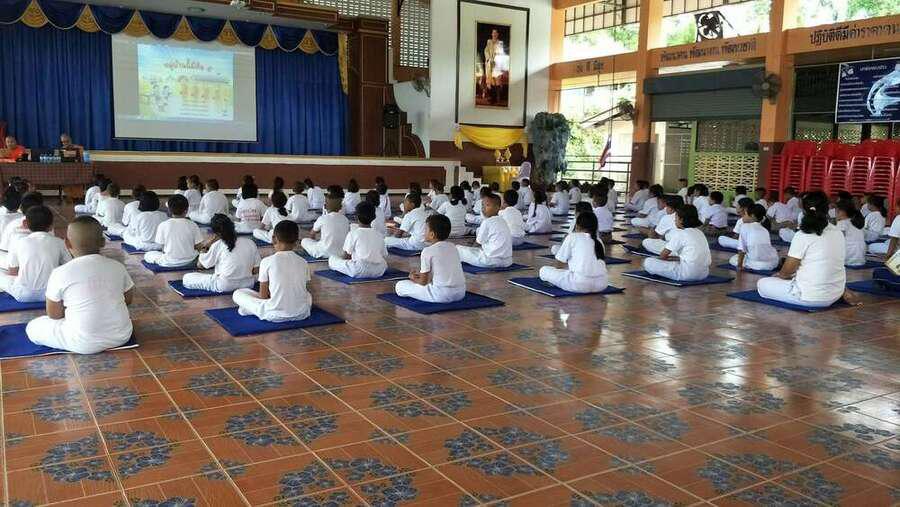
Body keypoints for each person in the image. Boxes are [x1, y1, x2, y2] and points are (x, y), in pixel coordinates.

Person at [25, 216, 134, 354]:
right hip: (122, 335)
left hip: (83, 342)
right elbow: (128, 299)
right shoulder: (117, 266)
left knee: (33, 327)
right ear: (103, 242)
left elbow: (54, 315)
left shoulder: (60, 272)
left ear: (67, 243)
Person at [757, 191, 850, 307]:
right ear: (827, 209)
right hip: (835, 293)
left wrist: (780, 276)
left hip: (809, 296)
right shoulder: (837, 232)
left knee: (762, 283)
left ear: (804, 211)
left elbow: (787, 271)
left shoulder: (803, 234)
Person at [233, 221, 311, 322]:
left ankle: (250, 309)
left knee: (238, 294)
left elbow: (263, 297)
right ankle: (251, 309)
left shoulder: (266, 262)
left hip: (274, 314)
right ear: (296, 241)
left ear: (274, 239)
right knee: (308, 295)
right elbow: (303, 289)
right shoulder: (303, 262)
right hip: (302, 313)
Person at [0, 205, 71, 302]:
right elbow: (68, 267)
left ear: (25, 224)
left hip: (22, 294)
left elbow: (13, 272)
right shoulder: (59, 242)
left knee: (2, 276)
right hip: (50, 294)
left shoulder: (19, 242)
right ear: (51, 226)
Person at [394, 214, 466, 303]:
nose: (424, 232)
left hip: (440, 294)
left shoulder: (427, 251)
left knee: (400, 286)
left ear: (432, 234)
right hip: (460, 293)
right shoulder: (453, 247)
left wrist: (412, 278)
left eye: (425, 229)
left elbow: (423, 282)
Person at [184, 214, 260, 293]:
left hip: (225, 285)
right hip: (248, 284)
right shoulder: (250, 242)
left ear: (216, 234)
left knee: (187, 277)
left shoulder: (218, 244)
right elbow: (256, 269)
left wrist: (206, 246)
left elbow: (200, 265)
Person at [540, 211, 608, 294]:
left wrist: (553, 271)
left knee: (543, 270)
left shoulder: (572, 236)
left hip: (579, 284)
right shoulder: (599, 241)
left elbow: (559, 264)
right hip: (602, 284)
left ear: (577, 225)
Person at [642, 205, 711, 281]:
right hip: (704, 274)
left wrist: (662, 260)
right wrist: (674, 259)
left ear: (681, 220)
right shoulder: (700, 232)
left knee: (648, 262)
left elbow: (663, 256)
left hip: (687, 274)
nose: (675, 220)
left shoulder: (681, 233)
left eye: (676, 218)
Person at [328, 201, 389, 279]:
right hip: (378, 271)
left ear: (356, 217)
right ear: (374, 217)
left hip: (359, 269)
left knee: (332, 259)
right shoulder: (379, 234)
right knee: (383, 262)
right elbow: (384, 254)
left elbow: (346, 256)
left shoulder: (353, 233)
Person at [144, 195, 205, 268]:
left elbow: (162, 247)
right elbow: (198, 246)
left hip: (169, 262)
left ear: (169, 210)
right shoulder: (193, 224)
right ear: (187, 210)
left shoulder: (163, 225)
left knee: (148, 255)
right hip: (190, 260)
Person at [456, 193, 512, 268]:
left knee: (459, 249)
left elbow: (477, 243)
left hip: (490, 261)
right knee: (478, 250)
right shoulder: (503, 220)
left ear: (498, 207)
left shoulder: (487, 222)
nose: (483, 208)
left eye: (487, 205)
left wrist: (470, 248)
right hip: (507, 261)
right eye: (482, 205)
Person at [301, 191, 351, 259]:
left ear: (325, 207)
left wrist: (314, 242)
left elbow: (312, 233)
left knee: (304, 241)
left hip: (323, 253)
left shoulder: (322, 218)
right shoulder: (345, 219)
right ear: (340, 207)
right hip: (341, 253)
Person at [730, 204, 779, 272]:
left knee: (733, 259)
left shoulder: (744, 227)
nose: (743, 216)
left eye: (745, 214)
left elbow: (741, 249)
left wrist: (739, 265)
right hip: (773, 262)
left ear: (752, 216)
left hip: (758, 265)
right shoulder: (764, 229)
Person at [0, 192, 44, 266]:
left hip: (9, 264)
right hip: (33, 263)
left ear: (21, 207)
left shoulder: (12, 225)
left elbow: (4, 249)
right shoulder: (46, 224)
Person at [835, 200, 867, 267]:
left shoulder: (842, 223)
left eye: (836, 211)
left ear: (842, 212)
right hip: (861, 257)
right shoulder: (856, 222)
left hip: (849, 257)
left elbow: (838, 241)